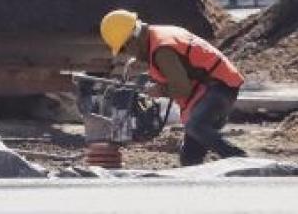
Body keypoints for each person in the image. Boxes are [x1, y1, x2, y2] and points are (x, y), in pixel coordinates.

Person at [100, 10, 247, 166]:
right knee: (190, 158)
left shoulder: (162, 51)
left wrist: (160, 91)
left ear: (132, 39)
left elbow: (183, 89)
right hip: (215, 87)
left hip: (219, 88)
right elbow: (184, 68)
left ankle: (241, 160)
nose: (127, 53)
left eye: (123, 48)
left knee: (195, 126)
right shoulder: (158, 36)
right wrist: (144, 64)